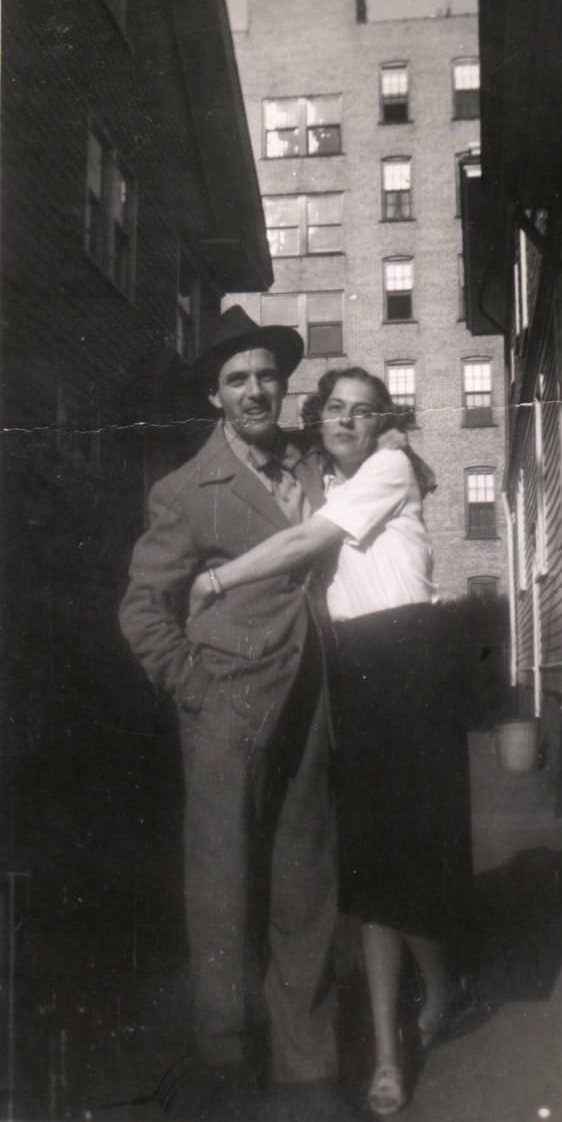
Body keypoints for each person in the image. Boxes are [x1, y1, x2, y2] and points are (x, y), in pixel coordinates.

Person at [189, 367, 473, 1117]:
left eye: (364, 411)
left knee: (415, 856)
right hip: (350, 670)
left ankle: (441, 988)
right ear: (320, 418)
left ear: (383, 422)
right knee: (371, 868)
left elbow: (309, 541)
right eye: (334, 409)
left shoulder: (390, 466)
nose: (345, 421)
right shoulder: (318, 475)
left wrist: (218, 584)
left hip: (411, 662)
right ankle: (386, 1056)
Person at [118, 306, 338, 1093]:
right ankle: (224, 1060)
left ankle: (307, 1064)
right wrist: (195, 688)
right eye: (237, 379)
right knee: (221, 887)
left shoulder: (312, 471)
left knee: (305, 880)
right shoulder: (185, 490)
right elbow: (142, 608)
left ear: (283, 385)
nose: (254, 390)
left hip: (310, 699)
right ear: (215, 396)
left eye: (266, 376)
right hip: (225, 709)